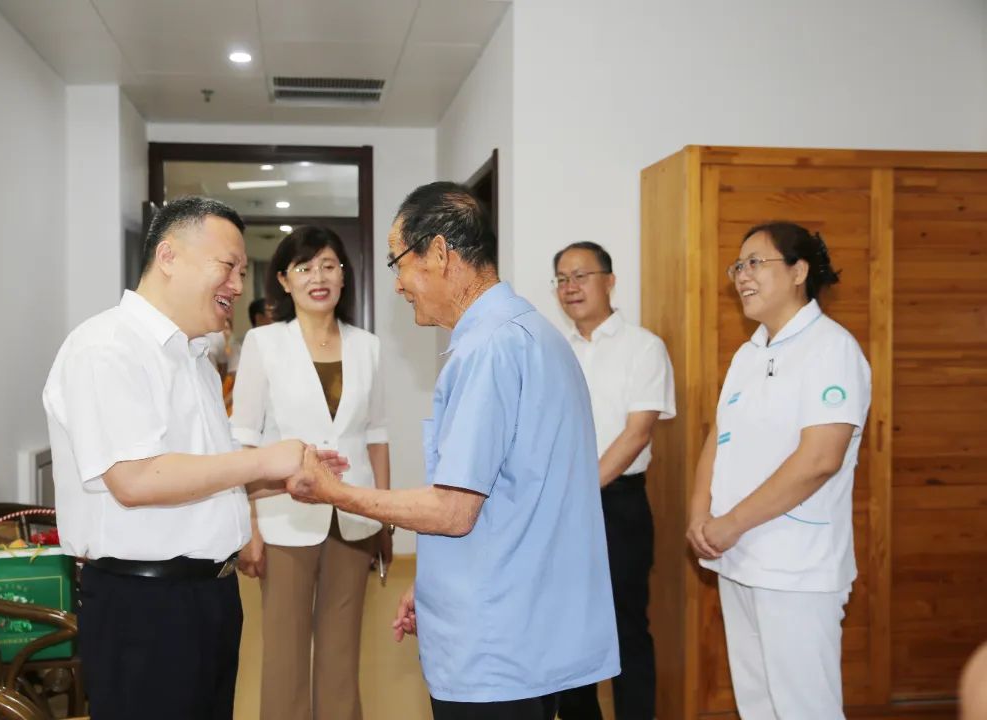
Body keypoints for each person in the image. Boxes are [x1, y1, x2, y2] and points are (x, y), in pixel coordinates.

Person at [286, 182, 619, 720]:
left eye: (398, 262)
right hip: (535, 626)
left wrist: (333, 492)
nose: (398, 284)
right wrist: (434, 586)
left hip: (496, 646)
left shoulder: (489, 350)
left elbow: (454, 510)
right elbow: (516, 492)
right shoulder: (536, 333)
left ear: (439, 253)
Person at [42, 196, 345, 720]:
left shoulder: (194, 357)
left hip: (211, 597)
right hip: (145, 606)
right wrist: (263, 461)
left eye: (242, 272)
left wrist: (283, 478)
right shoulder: (106, 347)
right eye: (228, 266)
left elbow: (204, 474)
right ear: (169, 256)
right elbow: (135, 480)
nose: (237, 285)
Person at [687, 221, 871, 719]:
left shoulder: (831, 348)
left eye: (755, 263)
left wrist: (730, 523)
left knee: (804, 709)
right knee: (758, 705)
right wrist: (700, 514)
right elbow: (718, 436)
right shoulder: (749, 354)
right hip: (739, 558)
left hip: (796, 566)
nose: (742, 276)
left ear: (798, 271)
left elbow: (820, 459)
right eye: (738, 266)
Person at [230, 226, 391, 720]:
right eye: (304, 267)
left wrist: (384, 516)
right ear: (284, 280)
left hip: (354, 514)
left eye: (328, 266)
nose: (318, 277)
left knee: (342, 652)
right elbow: (244, 440)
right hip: (283, 517)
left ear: (344, 275)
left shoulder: (368, 346)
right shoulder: (263, 343)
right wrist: (250, 527)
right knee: (285, 653)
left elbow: (376, 435)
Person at [553, 241, 675, 720]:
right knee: (567, 630)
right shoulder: (555, 351)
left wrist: (581, 490)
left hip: (617, 504)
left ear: (610, 280)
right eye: (562, 279)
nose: (570, 287)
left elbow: (637, 432)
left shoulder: (643, 347)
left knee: (625, 628)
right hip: (561, 505)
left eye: (581, 275)